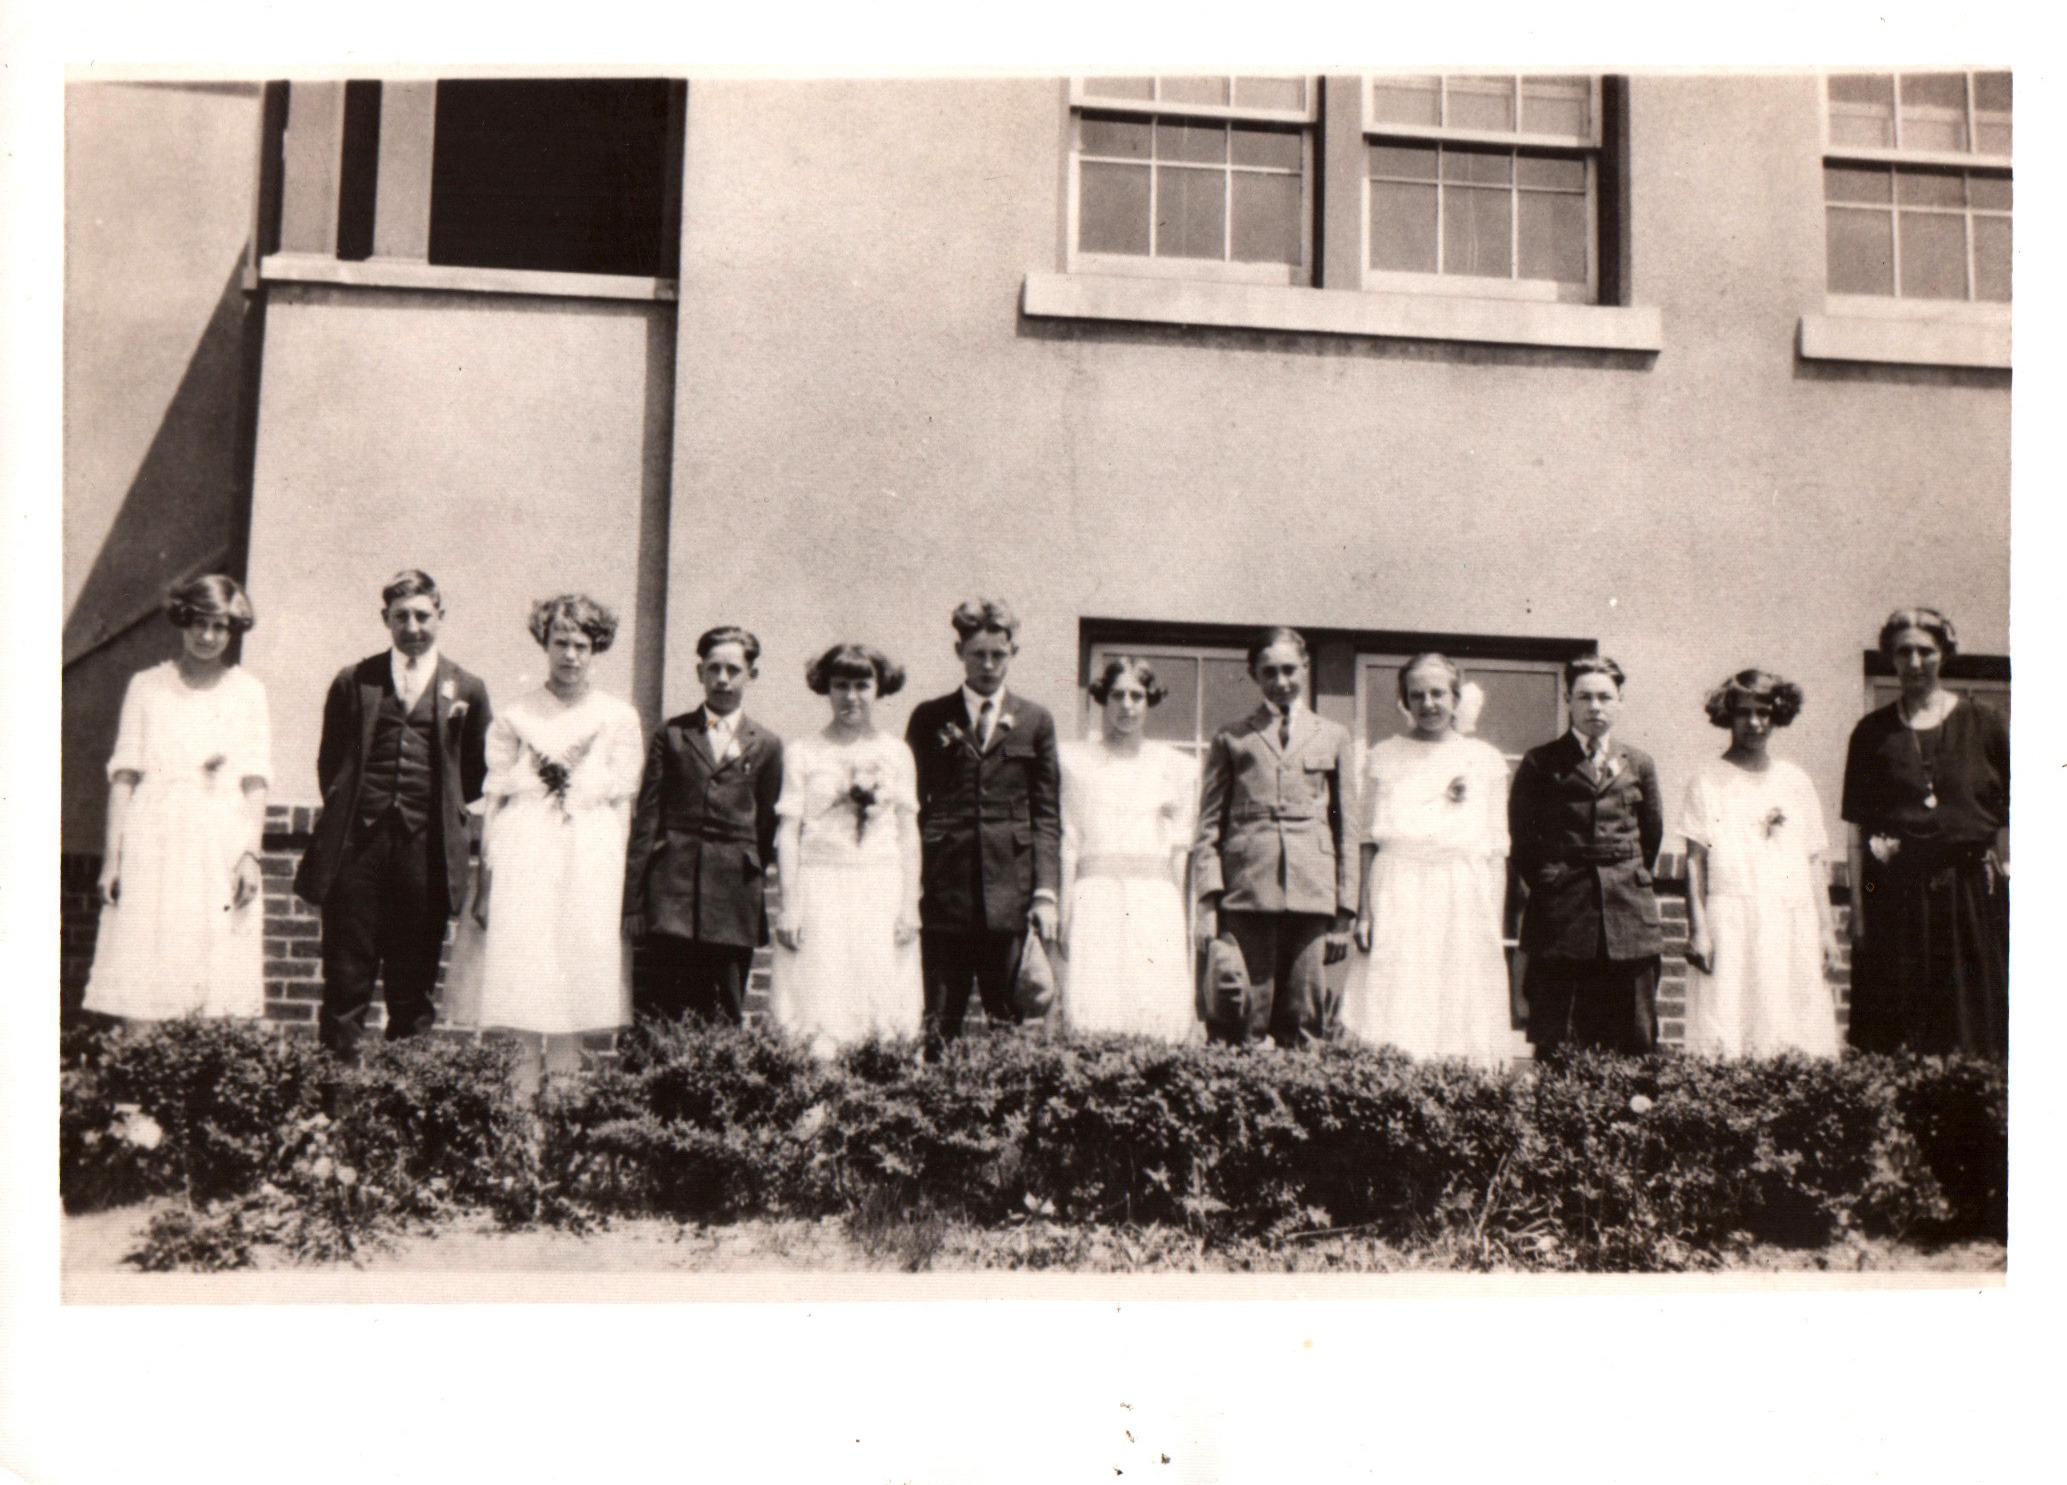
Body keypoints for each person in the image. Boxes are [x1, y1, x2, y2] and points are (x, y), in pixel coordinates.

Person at [294, 570, 492, 1061]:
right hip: (357, 853)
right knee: (345, 985)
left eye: (423, 615)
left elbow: (472, 774)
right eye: (401, 616)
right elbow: (331, 764)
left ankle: (400, 1100)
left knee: (412, 993)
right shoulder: (355, 680)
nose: (413, 627)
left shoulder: (467, 688)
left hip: (424, 856)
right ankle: (333, 1101)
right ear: (385, 619)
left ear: (440, 617)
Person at [456, 595, 644, 1090]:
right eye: (560, 643)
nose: (570, 655)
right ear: (546, 644)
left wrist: (621, 882)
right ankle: (519, 1108)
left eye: (581, 645)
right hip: (526, 858)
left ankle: (563, 1106)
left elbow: (623, 805)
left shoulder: (618, 717)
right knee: (524, 980)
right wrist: (487, 883)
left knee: (572, 985)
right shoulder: (516, 715)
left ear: (595, 649)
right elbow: (495, 804)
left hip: (590, 860)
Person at [84, 575, 272, 1023]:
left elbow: (256, 781)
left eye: (219, 626)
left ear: (233, 630)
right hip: (155, 837)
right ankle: (141, 1065)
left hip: (219, 841)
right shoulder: (147, 686)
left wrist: (251, 855)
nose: (207, 636)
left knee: (213, 958)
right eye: (199, 623)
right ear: (183, 621)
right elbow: (124, 776)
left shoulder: (247, 692)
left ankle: (200, 1068)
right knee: (147, 958)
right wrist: (113, 859)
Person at [1841, 607, 2007, 1057]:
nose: (1914, 663)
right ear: (1890, 657)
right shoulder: (1871, 733)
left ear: (1945, 654)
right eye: (1903, 653)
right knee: (1898, 1021)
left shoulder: (1986, 724)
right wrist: (1859, 909)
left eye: (1925, 651)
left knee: (1972, 1022)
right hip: (1895, 894)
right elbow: (1856, 833)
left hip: (1969, 893)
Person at [1342, 654, 1522, 1065]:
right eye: (1416, 695)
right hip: (1398, 888)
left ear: (1456, 697)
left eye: (1438, 693)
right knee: (1397, 993)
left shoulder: (1484, 760)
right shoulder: (1383, 756)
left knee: (1456, 997)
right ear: (1404, 700)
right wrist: (1364, 912)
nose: (1428, 704)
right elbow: (1367, 839)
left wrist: (1491, 918)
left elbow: (1496, 849)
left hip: (1461, 892)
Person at [904, 599, 1062, 1057]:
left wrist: (1045, 893)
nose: (989, 665)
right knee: (939, 1023)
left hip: (1009, 895)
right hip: (945, 894)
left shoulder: (1035, 721)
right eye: (978, 655)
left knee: (1008, 1025)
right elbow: (911, 807)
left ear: (1014, 653)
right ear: (960, 652)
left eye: (999, 654)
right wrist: (912, 884)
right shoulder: (930, 717)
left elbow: (1046, 815)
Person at [1191, 626, 1354, 1048]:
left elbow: (1346, 827)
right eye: (1269, 672)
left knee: (1304, 1019)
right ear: (1254, 674)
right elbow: (1208, 825)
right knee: (1240, 1013)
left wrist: (1344, 910)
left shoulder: (1333, 736)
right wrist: (1208, 898)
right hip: (1247, 889)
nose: (1281, 681)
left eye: (1289, 670)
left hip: (1312, 891)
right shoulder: (1232, 737)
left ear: (1305, 667)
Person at [622, 626, 784, 1027]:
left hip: (733, 898)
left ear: (752, 675)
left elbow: (765, 826)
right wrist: (634, 900)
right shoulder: (673, 734)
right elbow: (648, 819)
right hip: (671, 895)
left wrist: (746, 871)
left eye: (733, 670)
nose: (722, 679)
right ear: (700, 672)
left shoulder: (767, 744)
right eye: (713, 669)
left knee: (724, 1010)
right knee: (662, 1011)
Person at [1680, 669, 1844, 1058]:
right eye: (1744, 712)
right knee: (1728, 1023)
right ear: (1728, 715)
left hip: (1790, 918)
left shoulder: (1795, 781)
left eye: (1764, 712)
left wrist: (1825, 930)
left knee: (1791, 1024)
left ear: (1778, 714)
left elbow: (1813, 860)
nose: (1754, 723)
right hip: (1731, 920)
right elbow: (1694, 862)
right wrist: (1699, 930)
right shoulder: (1707, 780)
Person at [1508, 655, 1665, 1055]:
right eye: (1584, 697)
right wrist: (1553, 880)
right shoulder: (1540, 762)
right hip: (1562, 914)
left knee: (1634, 1033)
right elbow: (1523, 841)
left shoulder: (1639, 763)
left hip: (1627, 914)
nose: (1595, 706)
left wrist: (1620, 875)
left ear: (1620, 701)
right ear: (1568, 700)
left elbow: (1651, 836)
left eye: (1605, 697)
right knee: (1559, 1034)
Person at [772, 643, 924, 1057]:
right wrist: (790, 905)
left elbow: (908, 832)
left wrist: (909, 905)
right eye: (841, 685)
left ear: (879, 688)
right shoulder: (804, 751)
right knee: (820, 993)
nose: (851, 697)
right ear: (826, 687)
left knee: (879, 992)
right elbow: (789, 832)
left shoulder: (896, 752)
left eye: (862, 685)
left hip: (879, 886)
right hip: (821, 887)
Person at [1056, 656, 1198, 1041]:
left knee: (1151, 1002)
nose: (1127, 705)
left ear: (1149, 701)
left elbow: (1180, 848)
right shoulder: (1073, 761)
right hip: (1095, 894)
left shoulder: (1176, 766)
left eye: (1137, 695)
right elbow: (1069, 840)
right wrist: (1065, 909)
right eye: (1117, 695)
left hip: (1154, 898)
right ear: (1103, 699)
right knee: (1097, 1003)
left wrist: (1181, 916)